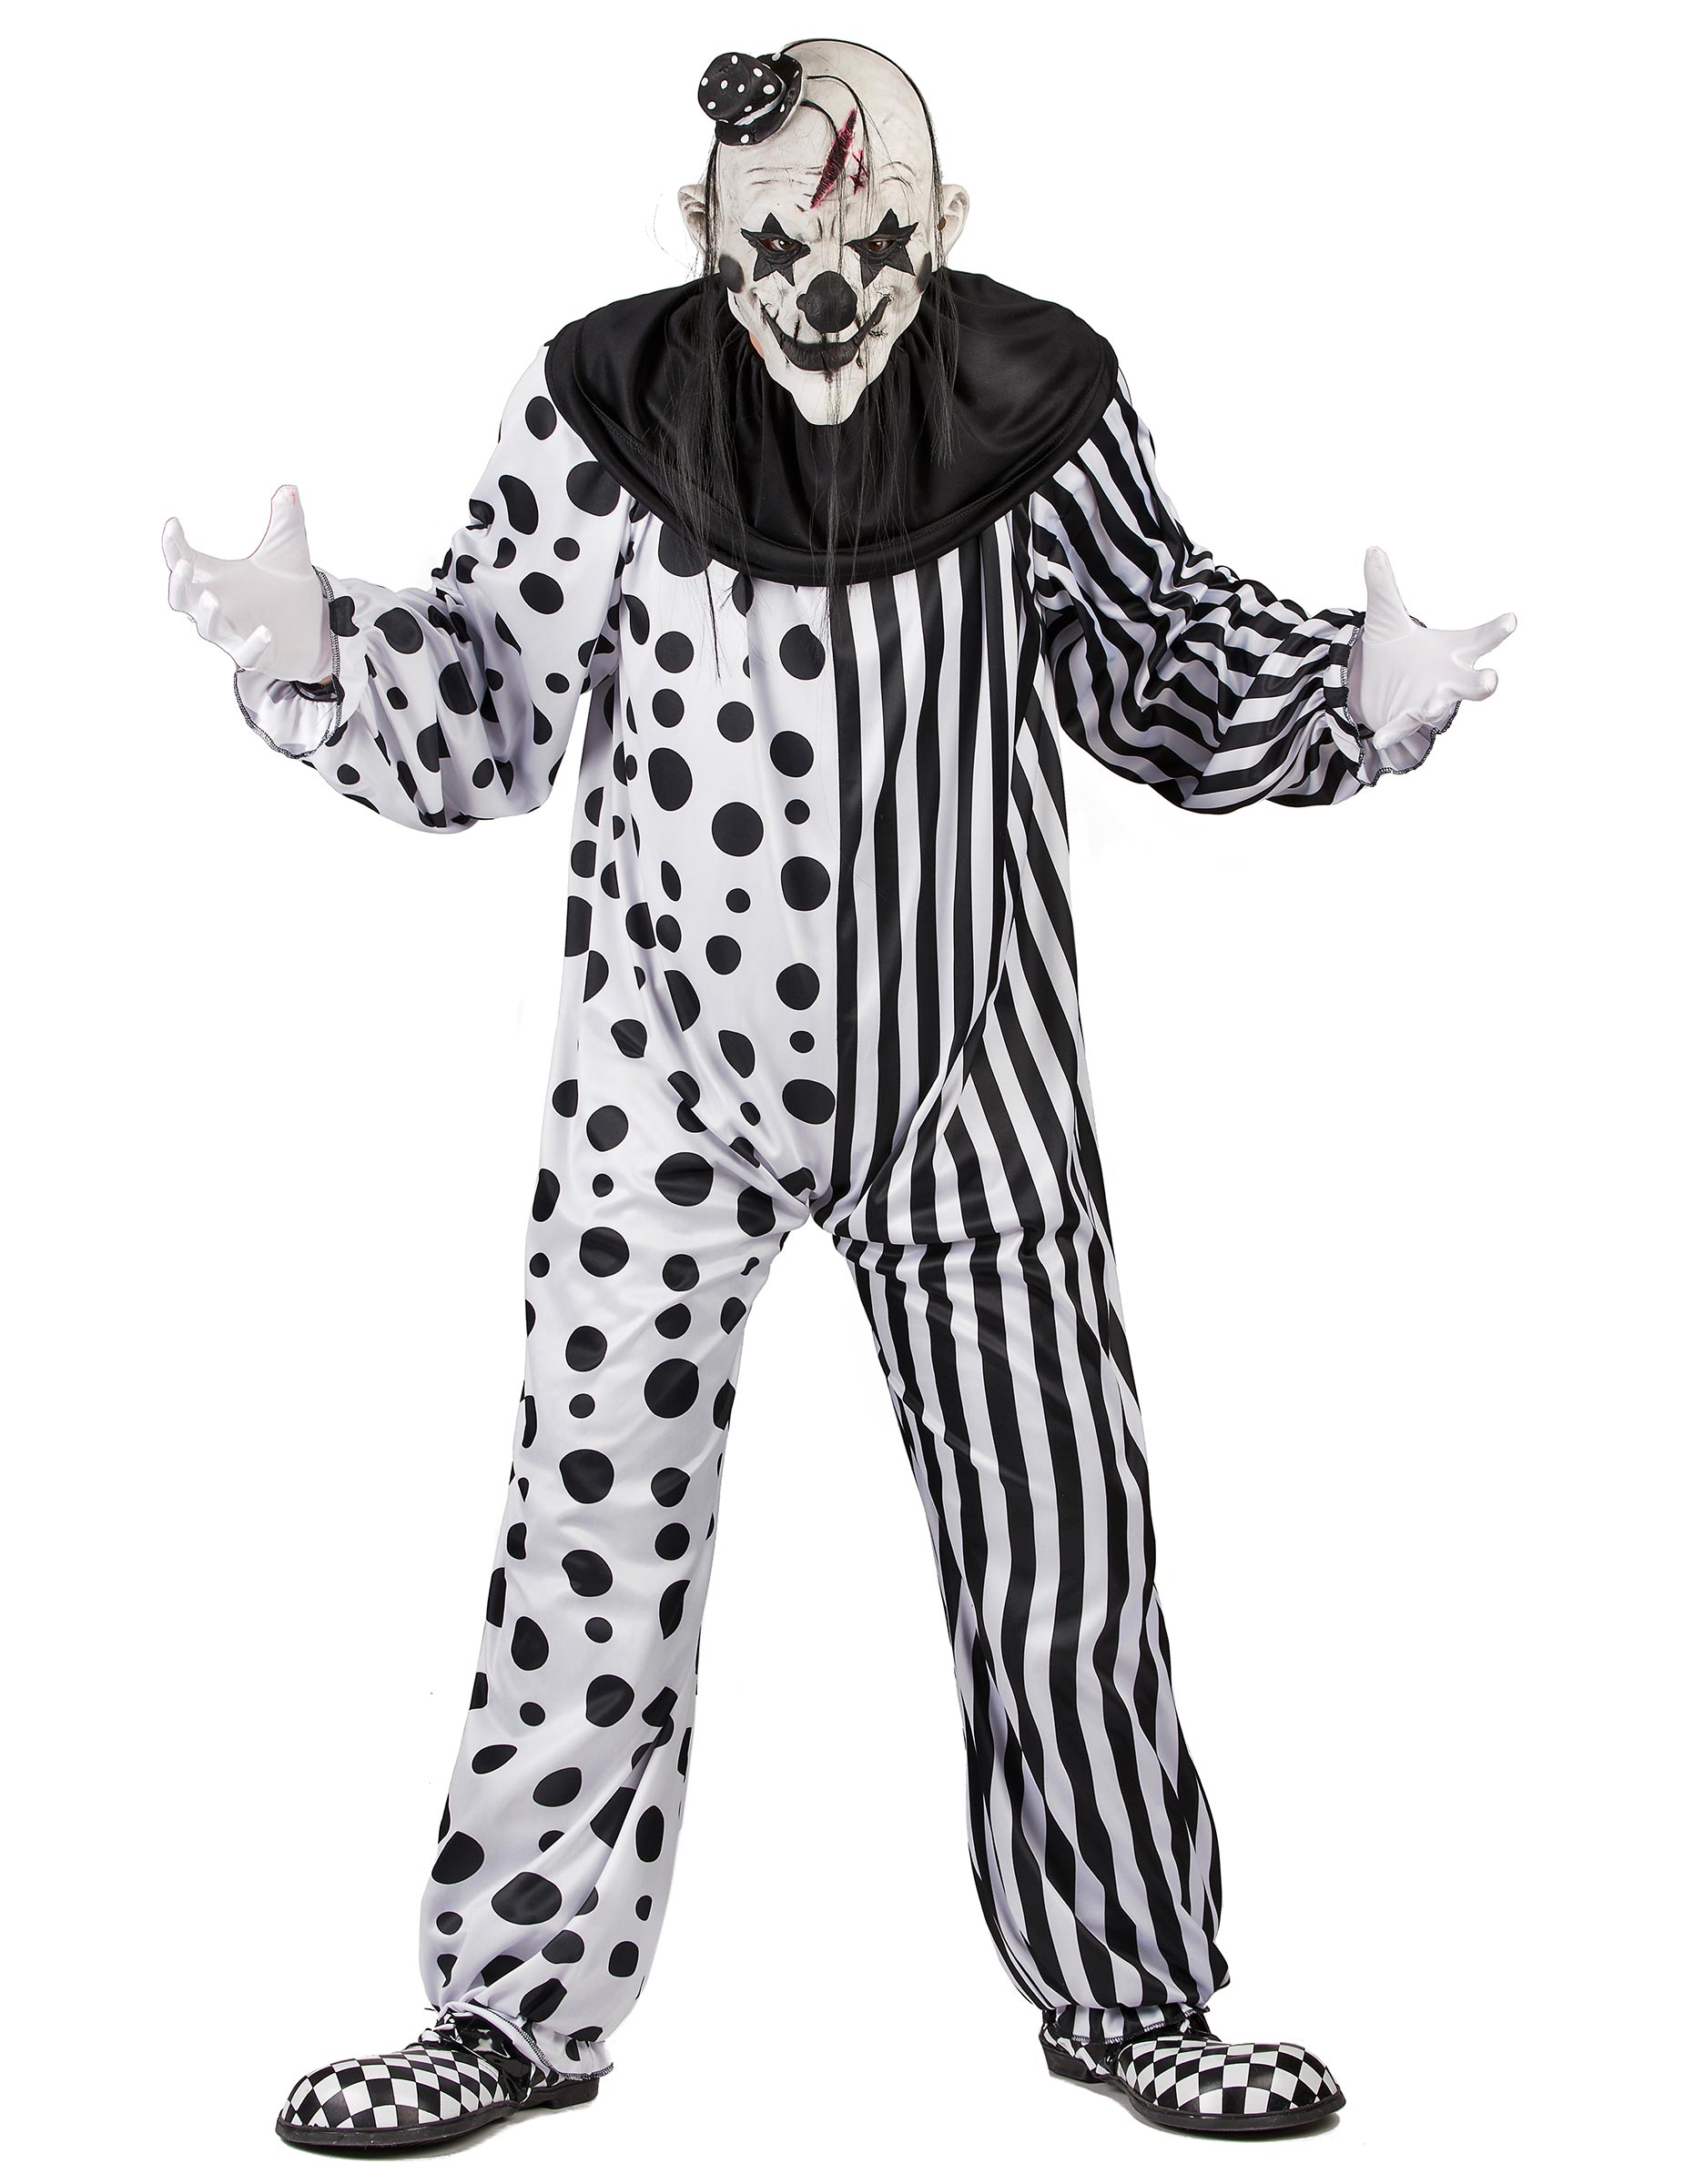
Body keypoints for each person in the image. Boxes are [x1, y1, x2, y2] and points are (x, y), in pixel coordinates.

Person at [163, 36, 1513, 2151]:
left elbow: (1153, 652)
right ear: (702, 233)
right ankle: (510, 2012)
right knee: (587, 1529)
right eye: (778, 235)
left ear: (943, 228)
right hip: (659, 1077)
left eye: (875, 230)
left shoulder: (1040, 411)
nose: (826, 275)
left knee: (1060, 1529)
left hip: (969, 1068)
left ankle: (1131, 1988)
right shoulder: (598, 411)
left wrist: (1342, 690)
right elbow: (499, 695)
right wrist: (322, 645)